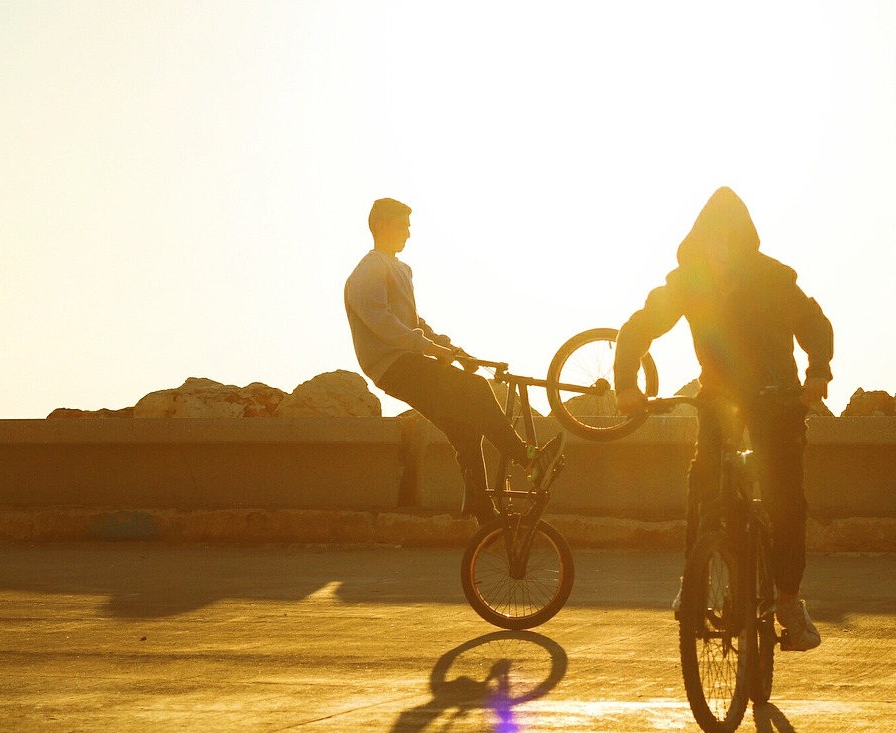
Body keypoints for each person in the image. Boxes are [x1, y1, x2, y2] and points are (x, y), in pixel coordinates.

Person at [613, 187, 832, 651]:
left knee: (785, 497)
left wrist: (817, 372)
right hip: (719, 396)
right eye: (715, 239)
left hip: (777, 397)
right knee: (702, 481)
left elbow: (813, 324)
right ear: (701, 240)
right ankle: (691, 583)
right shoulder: (688, 284)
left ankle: (789, 600)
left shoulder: (773, 278)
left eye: (732, 239)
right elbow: (642, 325)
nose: (723, 249)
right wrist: (626, 382)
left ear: (744, 241)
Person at [344, 198, 563, 525]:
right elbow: (382, 322)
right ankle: (528, 459)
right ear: (383, 226)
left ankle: (482, 511)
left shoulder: (399, 269)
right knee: (476, 388)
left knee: (463, 427)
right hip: (394, 364)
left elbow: (415, 322)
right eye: (404, 226)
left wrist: (454, 351)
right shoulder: (370, 268)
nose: (408, 233)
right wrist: (430, 349)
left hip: (404, 362)